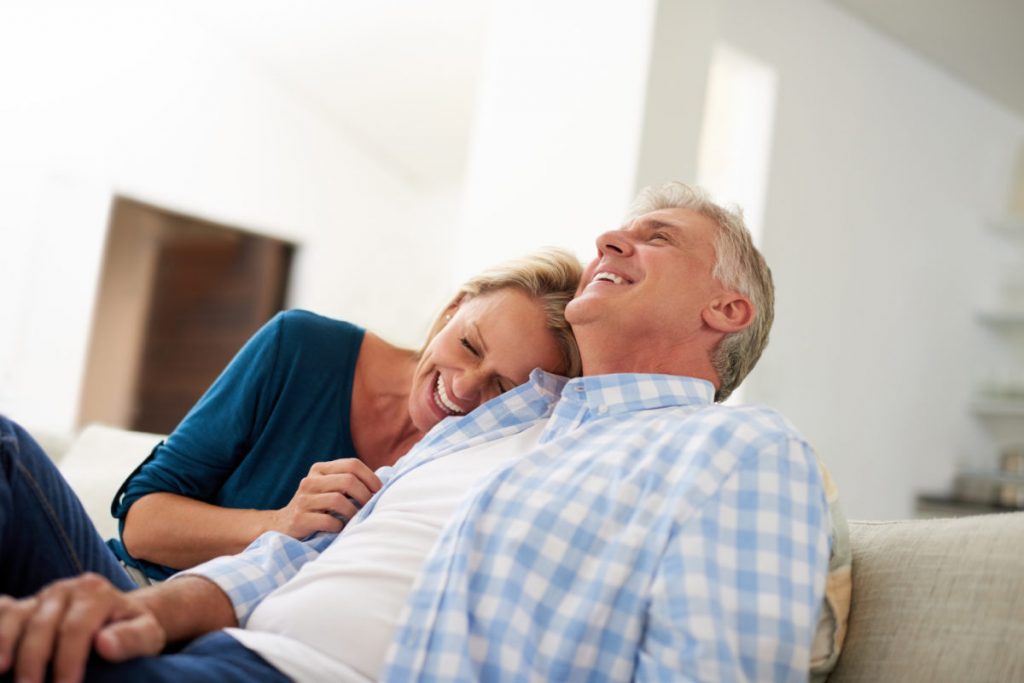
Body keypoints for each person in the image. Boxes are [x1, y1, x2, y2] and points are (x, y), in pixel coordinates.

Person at [0, 182, 843, 683]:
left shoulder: (740, 451)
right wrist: (141, 613)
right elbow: (285, 560)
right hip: (204, 647)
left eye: (656, 237)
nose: (609, 238)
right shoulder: (499, 426)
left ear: (727, 309)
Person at [109, 248, 583, 582]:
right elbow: (141, 526)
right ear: (451, 311)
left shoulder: (480, 469)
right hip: (131, 583)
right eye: (468, 345)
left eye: (502, 388)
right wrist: (280, 523)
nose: (463, 387)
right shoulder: (299, 348)